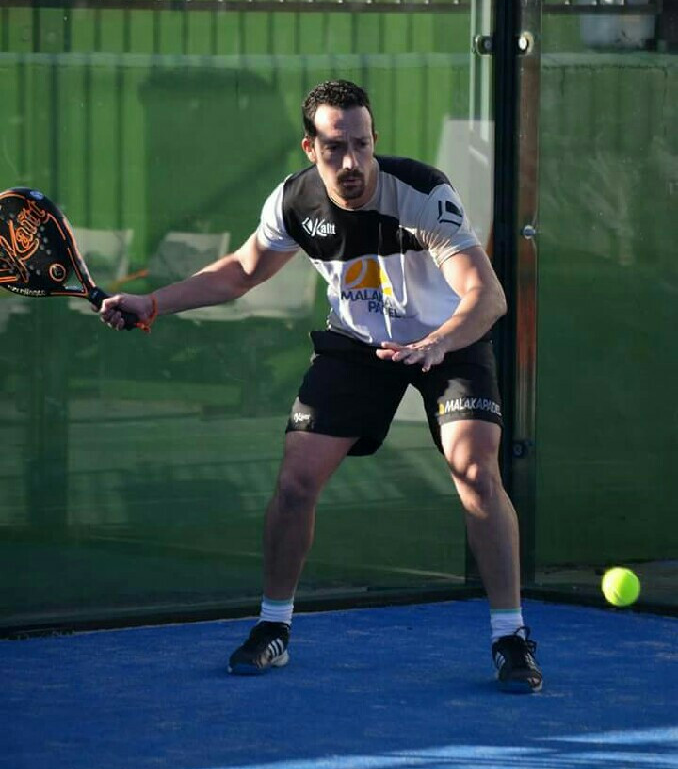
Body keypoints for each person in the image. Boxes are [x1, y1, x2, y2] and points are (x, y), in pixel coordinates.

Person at [100, 79, 542, 694]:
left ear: (375, 139)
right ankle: (273, 627)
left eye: (361, 144)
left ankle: (510, 636)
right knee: (295, 480)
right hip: (357, 346)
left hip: (448, 341)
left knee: (475, 470)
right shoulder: (294, 201)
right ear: (311, 148)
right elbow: (241, 271)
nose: (351, 161)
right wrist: (152, 302)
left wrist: (439, 341)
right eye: (335, 147)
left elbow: (486, 295)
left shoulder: (421, 192)